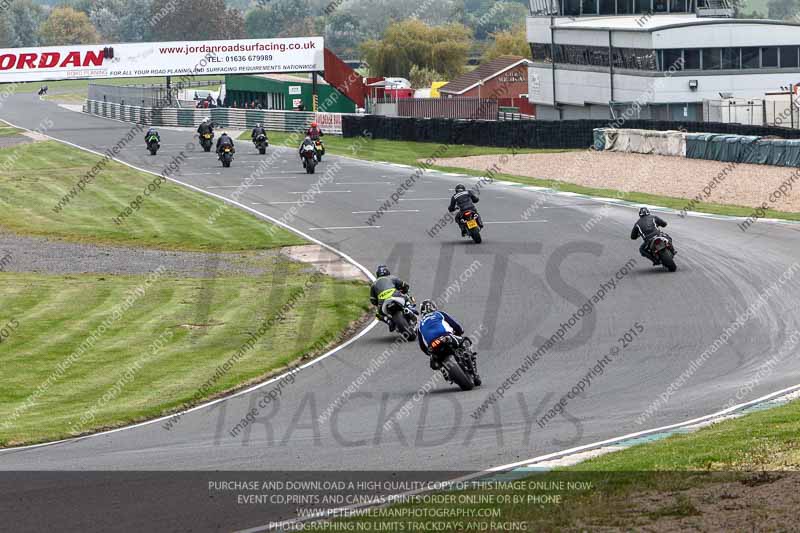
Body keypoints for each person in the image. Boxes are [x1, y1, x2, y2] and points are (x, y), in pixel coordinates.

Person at [416, 300, 480, 385]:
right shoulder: (439, 314)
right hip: (446, 337)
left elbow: (422, 346)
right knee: (466, 341)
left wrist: (429, 352)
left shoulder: (420, 324)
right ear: (433, 307)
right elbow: (456, 326)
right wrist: (460, 331)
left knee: (434, 362)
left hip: (433, 345)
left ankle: (443, 369)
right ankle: (475, 375)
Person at [369, 265, 411, 332]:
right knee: (406, 297)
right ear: (388, 271)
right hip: (395, 295)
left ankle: (388, 321)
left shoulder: (374, 284)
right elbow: (404, 285)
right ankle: (409, 308)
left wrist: (378, 302)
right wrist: (405, 290)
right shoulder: (392, 277)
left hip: (383, 302)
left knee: (378, 314)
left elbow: (373, 300)